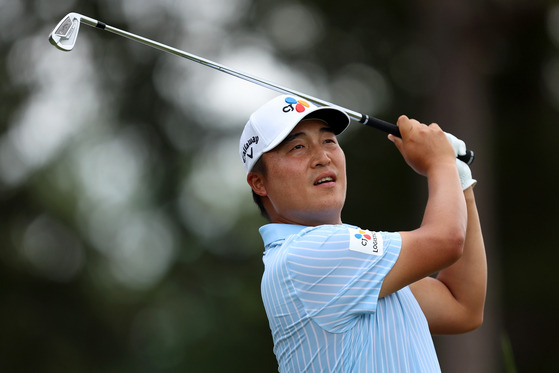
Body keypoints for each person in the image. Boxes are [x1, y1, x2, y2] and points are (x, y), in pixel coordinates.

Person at [239, 94, 487, 372]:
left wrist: (458, 177)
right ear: (259, 183)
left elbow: (461, 306)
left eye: (329, 141)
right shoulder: (304, 255)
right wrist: (439, 163)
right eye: (298, 147)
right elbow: (445, 242)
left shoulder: (355, 263)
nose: (322, 157)